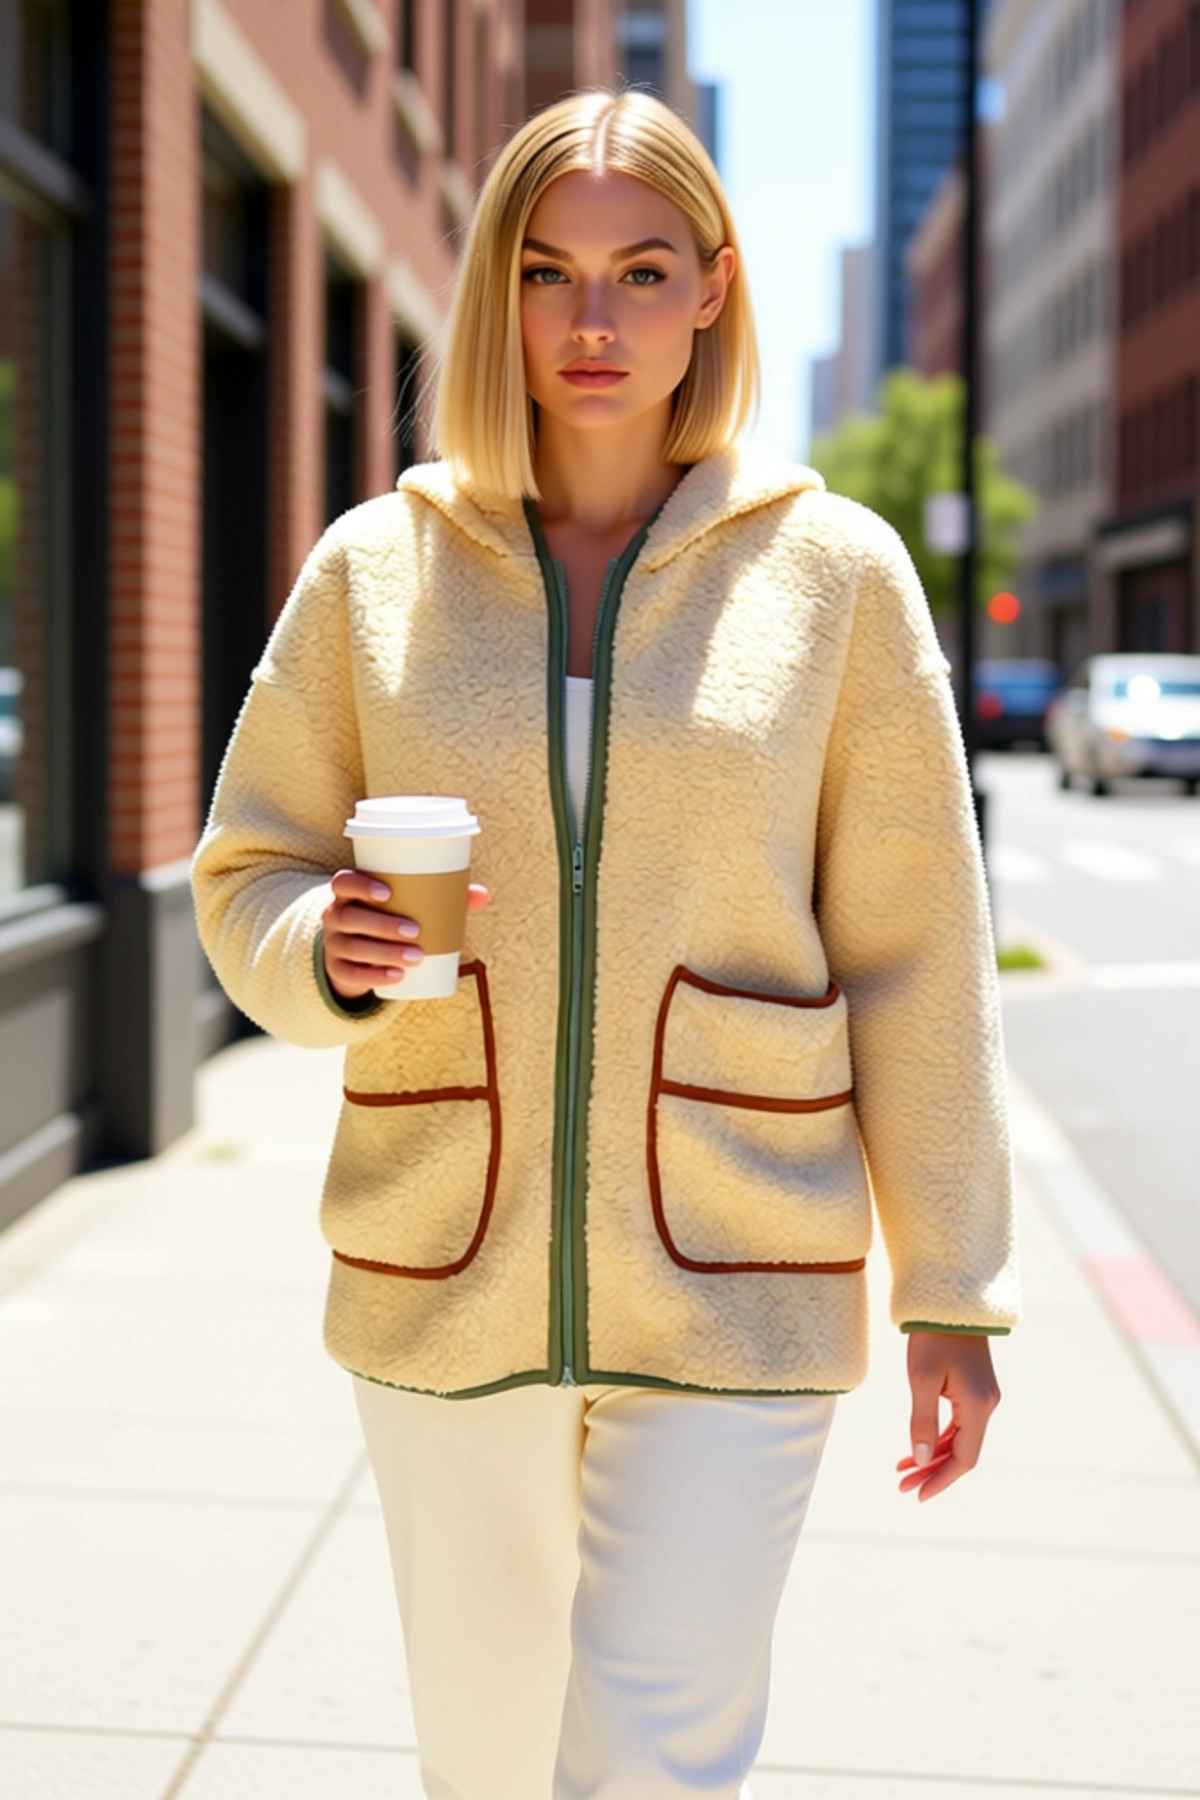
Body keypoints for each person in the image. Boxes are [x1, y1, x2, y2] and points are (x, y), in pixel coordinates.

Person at [192, 88, 1018, 1800]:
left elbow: (920, 952)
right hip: (442, 1258)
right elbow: (246, 870)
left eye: (641, 272)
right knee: (485, 1762)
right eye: (549, 272)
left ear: (712, 288)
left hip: (741, 1264)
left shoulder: (836, 577)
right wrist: (328, 947)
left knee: (655, 1765)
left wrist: (951, 1288)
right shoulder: (375, 571)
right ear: (495, 289)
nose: (593, 319)